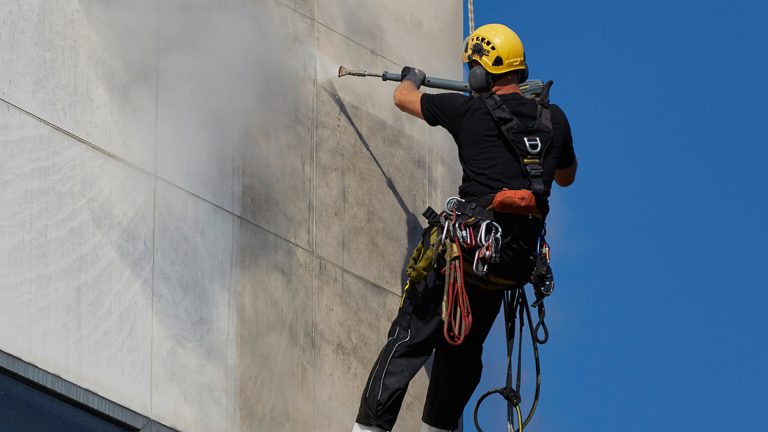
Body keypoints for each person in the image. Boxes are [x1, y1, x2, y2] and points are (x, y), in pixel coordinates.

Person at [352, 23, 577, 432]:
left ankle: (368, 430)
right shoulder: (554, 119)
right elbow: (566, 176)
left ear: (480, 72)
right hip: (506, 265)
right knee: (461, 350)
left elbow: (403, 98)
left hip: (466, 253)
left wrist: (412, 77)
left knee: (409, 340)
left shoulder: (469, 111)